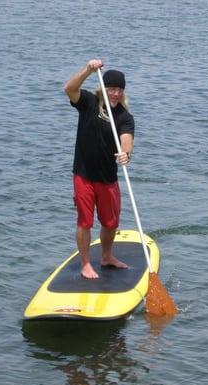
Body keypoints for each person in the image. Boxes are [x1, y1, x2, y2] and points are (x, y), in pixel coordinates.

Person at [64, 59, 134, 279]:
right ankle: (85, 264)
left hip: (107, 177)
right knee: (85, 221)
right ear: (104, 88)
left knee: (111, 222)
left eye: (119, 90)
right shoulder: (88, 102)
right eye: (111, 89)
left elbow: (127, 138)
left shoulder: (124, 116)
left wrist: (125, 153)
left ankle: (106, 256)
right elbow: (69, 88)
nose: (115, 93)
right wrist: (88, 70)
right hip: (83, 174)